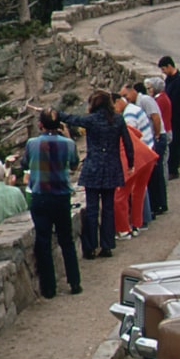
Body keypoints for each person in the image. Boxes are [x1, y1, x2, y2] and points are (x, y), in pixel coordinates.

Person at [58, 90, 135, 259]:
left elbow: (72, 119)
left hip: (93, 168)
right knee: (108, 208)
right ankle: (107, 245)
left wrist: (57, 114)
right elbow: (128, 143)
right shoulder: (117, 119)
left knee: (92, 209)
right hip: (111, 168)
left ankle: (91, 246)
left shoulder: (91, 120)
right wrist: (130, 163)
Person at [21, 109, 82, 298]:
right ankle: (74, 282)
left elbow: (24, 164)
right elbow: (74, 165)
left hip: (40, 197)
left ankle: (49, 288)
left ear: (40, 125)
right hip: (61, 196)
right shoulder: (68, 144)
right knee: (66, 240)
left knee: (43, 241)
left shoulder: (32, 144)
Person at [113, 122, 158, 241]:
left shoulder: (104, 128)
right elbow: (138, 134)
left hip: (130, 160)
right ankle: (137, 225)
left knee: (119, 196)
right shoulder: (120, 122)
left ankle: (123, 230)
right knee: (138, 191)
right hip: (146, 155)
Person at [131, 81, 167, 216]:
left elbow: (156, 118)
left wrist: (156, 136)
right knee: (155, 174)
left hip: (157, 138)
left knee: (156, 173)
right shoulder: (140, 102)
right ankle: (159, 204)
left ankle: (159, 204)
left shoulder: (145, 100)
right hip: (154, 138)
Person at [157, 56, 180, 179]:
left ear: (169, 66)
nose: (163, 72)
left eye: (164, 69)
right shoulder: (169, 79)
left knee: (175, 143)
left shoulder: (179, 80)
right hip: (169, 117)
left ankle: (174, 169)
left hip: (177, 117)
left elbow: (175, 100)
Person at [145, 77, 171, 213]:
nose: (148, 91)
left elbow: (157, 118)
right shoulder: (162, 98)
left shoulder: (158, 100)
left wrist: (156, 135)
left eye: (150, 88)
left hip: (162, 134)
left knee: (160, 168)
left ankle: (161, 200)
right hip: (165, 132)